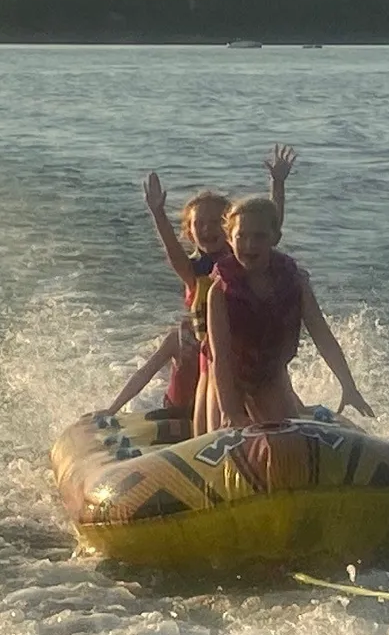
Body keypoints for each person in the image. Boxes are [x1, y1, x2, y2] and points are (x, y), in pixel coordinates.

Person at [141, 146, 296, 431]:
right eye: (199, 223)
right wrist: (159, 214)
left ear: (228, 227)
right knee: (204, 423)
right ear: (189, 231)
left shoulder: (242, 261)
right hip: (211, 360)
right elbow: (175, 254)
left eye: (215, 222)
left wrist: (278, 185)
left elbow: (270, 228)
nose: (207, 229)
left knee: (275, 404)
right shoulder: (196, 272)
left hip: (252, 353)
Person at [207, 194, 372, 428]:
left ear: (275, 237)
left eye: (259, 236)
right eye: (241, 236)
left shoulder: (294, 282)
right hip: (226, 377)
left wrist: (348, 385)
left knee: (287, 440)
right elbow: (220, 356)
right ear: (230, 239)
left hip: (269, 373)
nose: (250, 245)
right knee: (222, 436)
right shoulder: (220, 291)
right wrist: (228, 411)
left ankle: (307, 416)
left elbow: (321, 334)